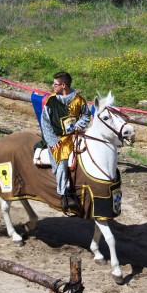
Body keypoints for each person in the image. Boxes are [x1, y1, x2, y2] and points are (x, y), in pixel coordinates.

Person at [36, 71, 91, 210]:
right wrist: (53, 141)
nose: (52, 86)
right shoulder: (51, 101)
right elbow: (45, 123)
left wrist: (79, 126)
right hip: (58, 139)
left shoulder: (79, 100)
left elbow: (86, 115)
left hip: (75, 136)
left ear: (64, 85)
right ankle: (64, 193)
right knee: (62, 161)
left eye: (55, 84)